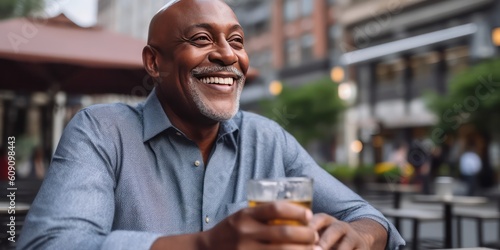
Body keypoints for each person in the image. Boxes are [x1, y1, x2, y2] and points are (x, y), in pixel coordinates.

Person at [18, 0, 404, 249]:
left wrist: (358, 235)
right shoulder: (102, 131)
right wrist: (206, 245)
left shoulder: (268, 139)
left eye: (237, 41)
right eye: (202, 38)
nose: (226, 55)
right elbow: (52, 244)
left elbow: (371, 219)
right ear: (154, 63)